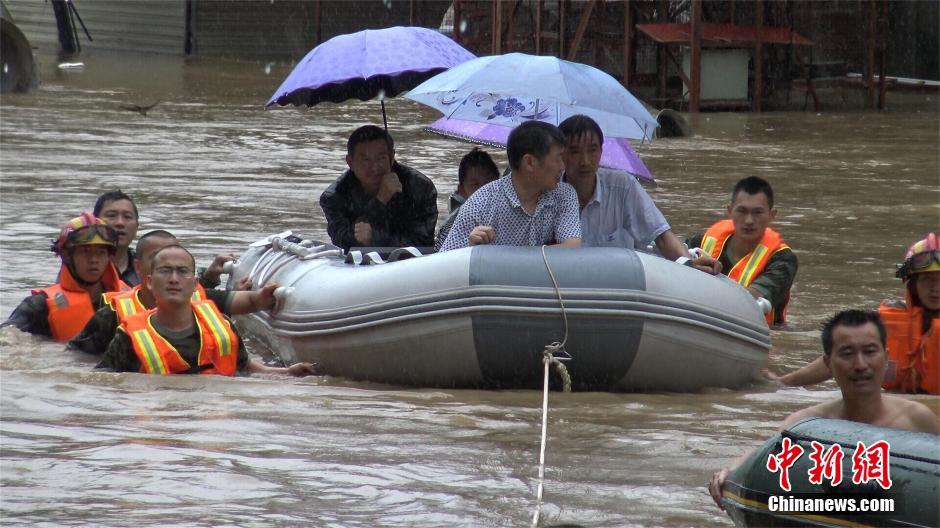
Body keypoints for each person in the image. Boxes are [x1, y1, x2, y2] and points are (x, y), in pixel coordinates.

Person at [708, 309, 940, 510]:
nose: (860, 365)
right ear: (828, 364)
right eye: (847, 354)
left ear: (886, 357)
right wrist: (730, 470)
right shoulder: (808, 425)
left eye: (870, 352)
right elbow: (763, 454)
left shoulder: (916, 419)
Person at [96, 244, 316, 377]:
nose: (174, 279)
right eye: (166, 271)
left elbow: (245, 368)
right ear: (150, 282)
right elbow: (105, 382)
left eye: (182, 272)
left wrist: (286, 373)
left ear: (195, 284)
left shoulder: (222, 326)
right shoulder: (129, 336)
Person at [68, 230, 277, 355]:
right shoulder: (111, 315)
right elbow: (79, 360)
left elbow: (248, 301)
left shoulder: (205, 303)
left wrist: (264, 297)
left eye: (178, 262)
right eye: (160, 259)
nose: (172, 269)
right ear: (140, 268)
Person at [778, 233, 939, 394]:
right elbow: (836, 360)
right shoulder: (885, 324)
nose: (935, 288)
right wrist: (783, 383)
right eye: (927, 279)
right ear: (913, 285)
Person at [557, 115, 719, 274]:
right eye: (575, 151)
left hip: (618, 281)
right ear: (561, 154)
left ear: (601, 151)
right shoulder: (549, 191)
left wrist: (689, 265)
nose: (585, 161)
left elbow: (660, 236)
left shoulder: (623, 186)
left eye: (592, 150)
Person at [440, 121, 581, 251]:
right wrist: (470, 250)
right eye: (557, 158)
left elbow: (572, 247)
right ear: (529, 163)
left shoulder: (564, 194)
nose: (562, 167)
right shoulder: (480, 203)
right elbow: (443, 264)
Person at [686, 176, 797, 326]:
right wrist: (688, 265)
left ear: (772, 215)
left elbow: (752, 300)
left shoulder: (782, 259)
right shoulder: (700, 242)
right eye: (742, 211)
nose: (749, 220)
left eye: (757, 213)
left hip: (756, 334)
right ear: (730, 211)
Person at [3, 213, 129, 341]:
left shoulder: (130, 297)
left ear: (109, 256)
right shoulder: (39, 306)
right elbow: (6, 339)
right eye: (85, 251)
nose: (94, 259)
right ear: (66, 256)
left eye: (101, 252)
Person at [319, 125, 438, 251]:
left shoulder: (419, 187)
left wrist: (375, 238)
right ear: (350, 162)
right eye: (365, 160)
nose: (375, 168)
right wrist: (380, 201)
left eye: (381, 158)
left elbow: (423, 243)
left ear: (392, 157)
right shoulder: (334, 196)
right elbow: (342, 242)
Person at [434, 148, 500, 251]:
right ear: (462, 190)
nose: (483, 190)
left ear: (499, 183)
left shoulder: (512, 211)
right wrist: (468, 247)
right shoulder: (451, 224)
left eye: (488, 183)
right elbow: (439, 260)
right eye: (475, 185)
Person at [94, 190, 141, 285]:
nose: (120, 223)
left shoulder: (145, 268)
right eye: (111, 215)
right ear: (94, 223)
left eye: (127, 217)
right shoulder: (81, 267)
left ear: (136, 227)